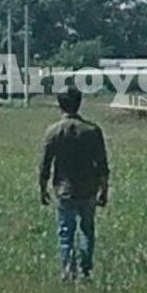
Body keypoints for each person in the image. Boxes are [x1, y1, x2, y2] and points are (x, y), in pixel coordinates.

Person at [39, 87, 110, 280]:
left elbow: (45, 164)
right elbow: (102, 164)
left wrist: (42, 188)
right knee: (87, 230)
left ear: (60, 105)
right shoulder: (92, 131)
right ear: (79, 103)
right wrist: (104, 190)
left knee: (65, 232)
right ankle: (85, 269)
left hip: (64, 189)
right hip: (88, 188)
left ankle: (68, 270)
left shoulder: (53, 132)